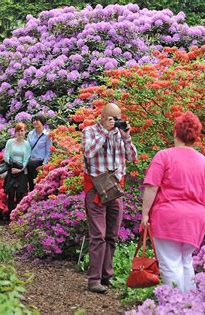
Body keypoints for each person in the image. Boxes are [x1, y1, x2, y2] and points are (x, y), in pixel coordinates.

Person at [141, 111, 205, 293]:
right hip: (196, 220)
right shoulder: (203, 161)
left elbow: (152, 187)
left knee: (170, 264)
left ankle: (174, 307)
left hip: (168, 217)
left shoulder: (164, 156)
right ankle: (190, 307)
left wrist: (145, 214)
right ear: (195, 136)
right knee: (186, 262)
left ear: (175, 132)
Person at [82, 103, 137, 293]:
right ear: (103, 117)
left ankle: (107, 276)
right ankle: (94, 280)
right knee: (98, 235)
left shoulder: (120, 134)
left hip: (115, 189)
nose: (116, 120)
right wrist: (105, 132)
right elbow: (89, 152)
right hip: (96, 188)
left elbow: (132, 157)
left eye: (119, 116)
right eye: (112, 117)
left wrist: (127, 137)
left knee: (112, 235)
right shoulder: (90, 131)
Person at [3, 123, 31, 218]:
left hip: (22, 172)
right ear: (15, 132)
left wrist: (19, 169)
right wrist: (12, 167)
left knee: (20, 194)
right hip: (11, 171)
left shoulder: (27, 144)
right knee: (10, 194)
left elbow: (26, 159)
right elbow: (6, 156)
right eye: (18, 131)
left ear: (25, 132)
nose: (20, 133)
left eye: (22, 130)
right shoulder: (10, 142)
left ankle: (18, 216)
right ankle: (11, 215)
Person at [27, 114, 52, 190]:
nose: (35, 122)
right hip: (30, 163)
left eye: (37, 120)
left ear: (42, 122)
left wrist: (44, 165)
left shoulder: (47, 135)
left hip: (40, 163)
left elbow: (48, 151)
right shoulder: (30, 134)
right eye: (33, 120)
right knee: (31, 185)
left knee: (40, 185)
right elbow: (27, 149)